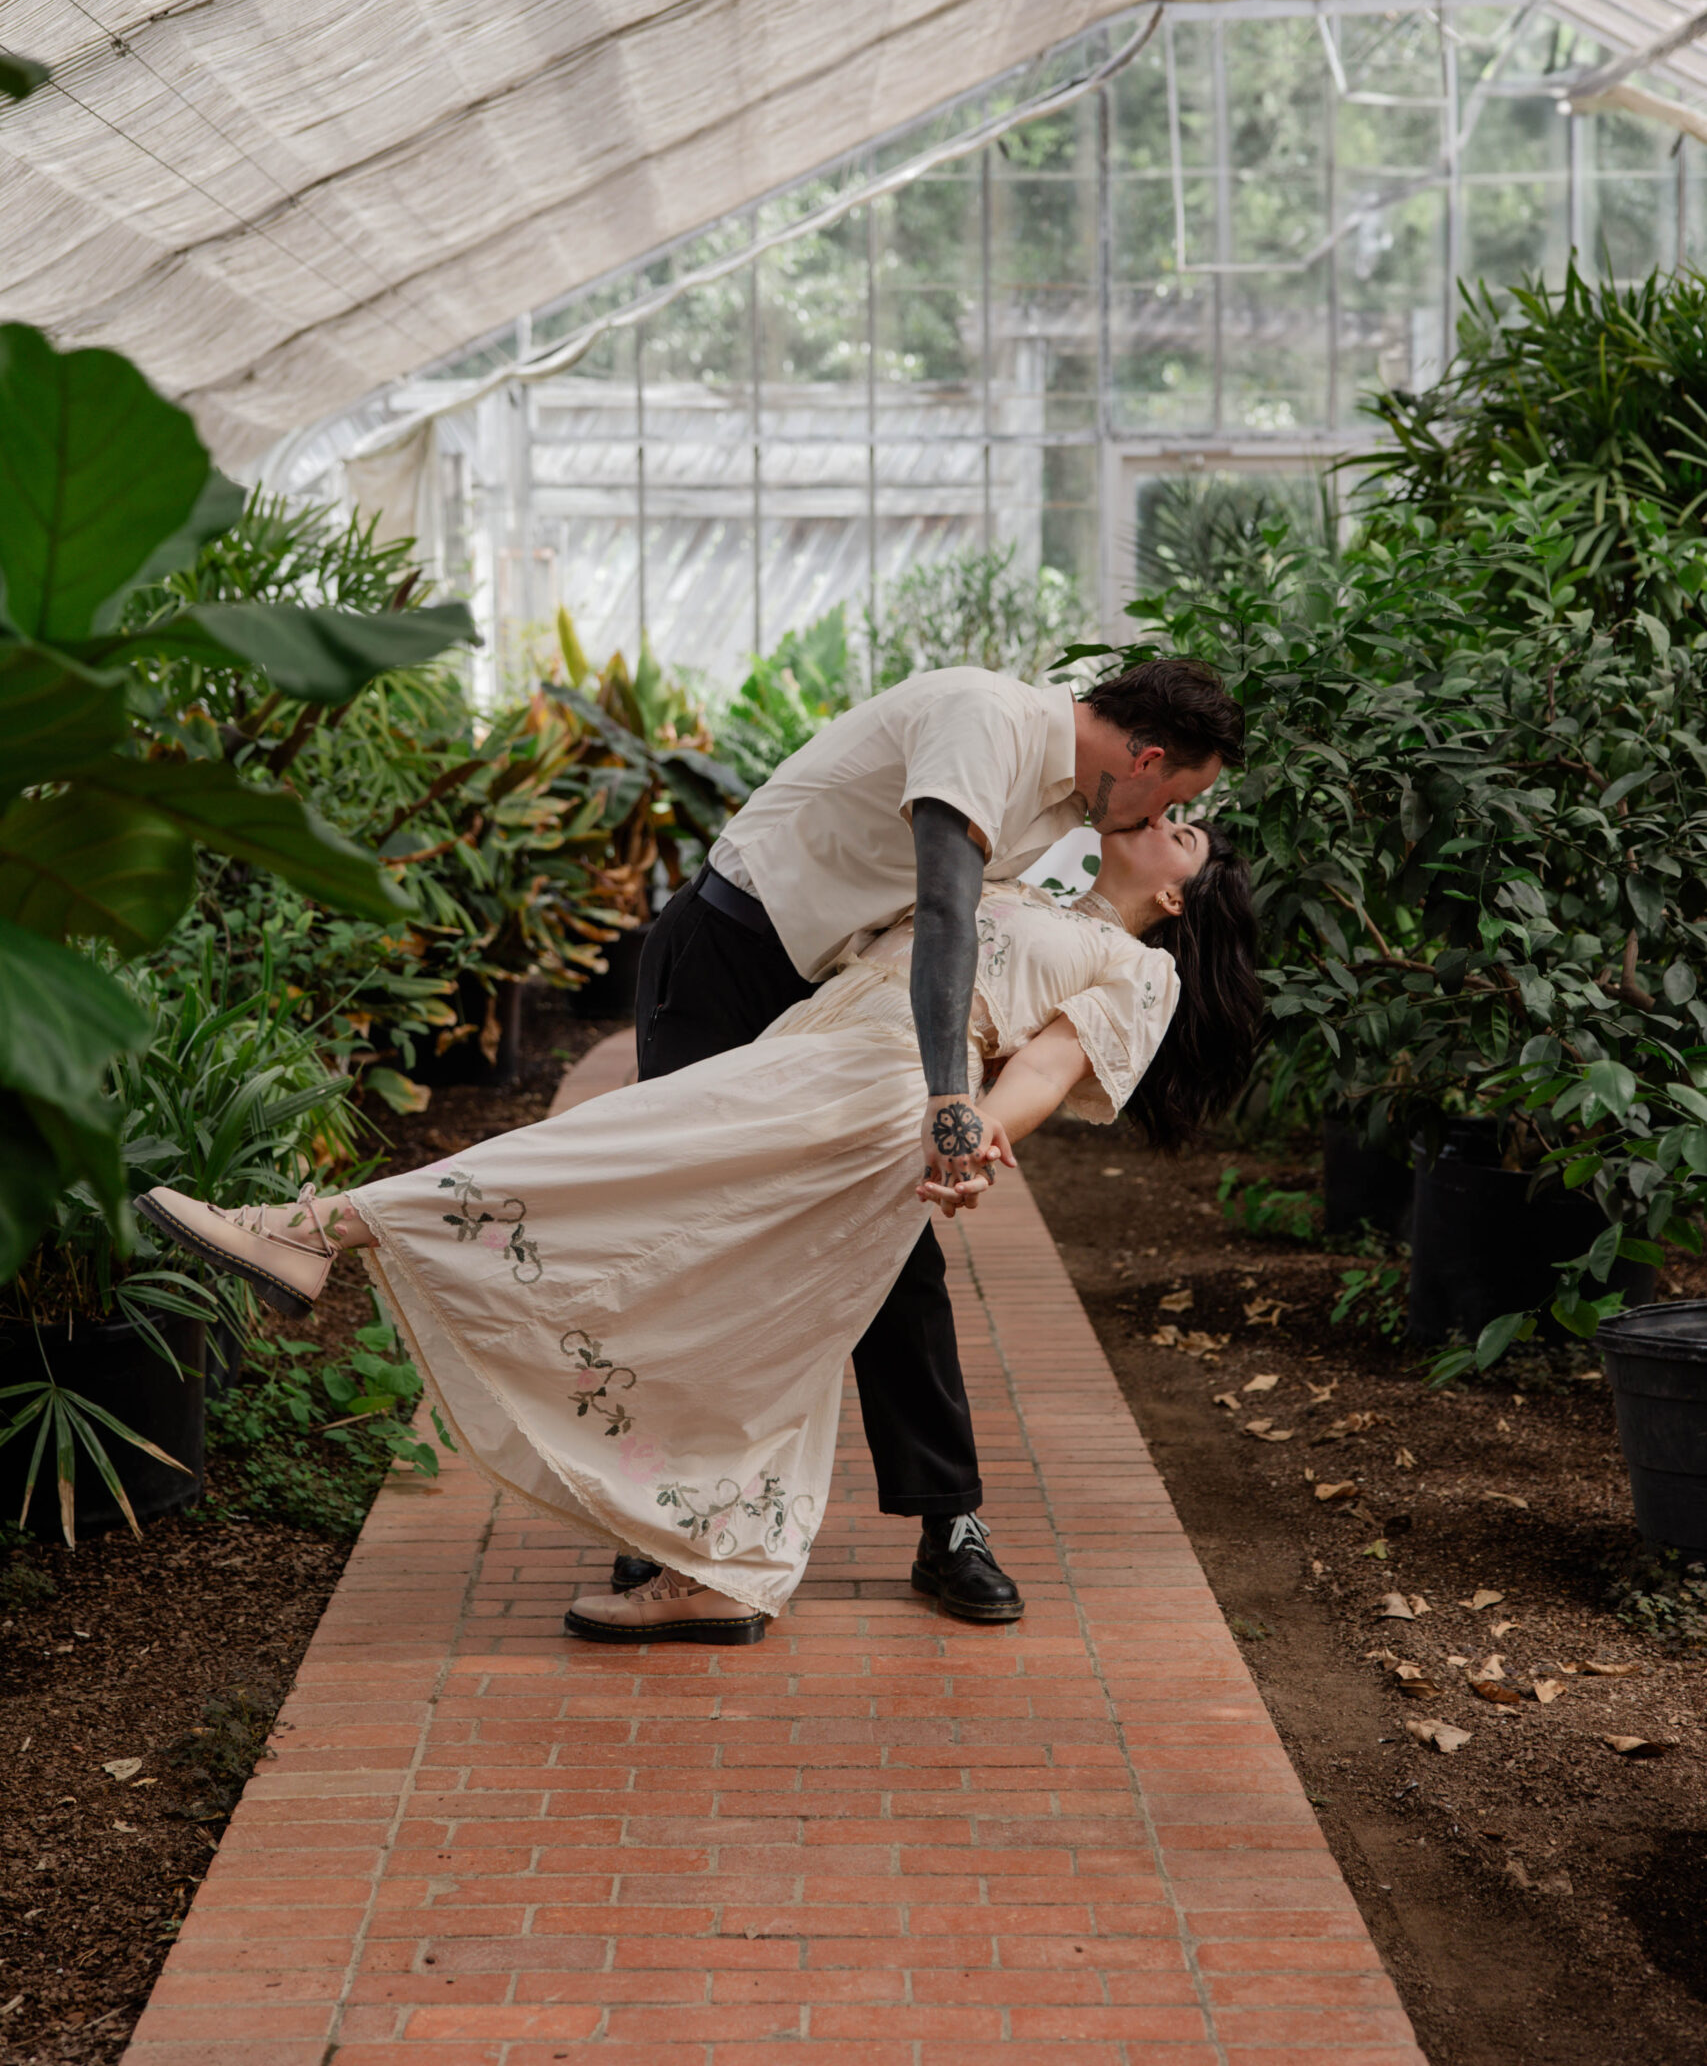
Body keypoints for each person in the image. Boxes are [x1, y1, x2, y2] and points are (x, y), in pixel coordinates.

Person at [138, 808, 1261, 1647]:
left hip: (871, 1096)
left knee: (597, 1163)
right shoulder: (1024, 881)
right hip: (810, 1052)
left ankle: (311, 1227)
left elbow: (1049, 1067)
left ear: (1177, 897)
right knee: (755, 1311)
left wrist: (963, 1139)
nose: (1165, 822)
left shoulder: (1136, 965)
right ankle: (721, 1566)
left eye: (1187, 835)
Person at [616, 654, 1243, 1623]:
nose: (1159, 819)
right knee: (693, 1242)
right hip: (723, 961)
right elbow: (946, 909)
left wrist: (967, 1105)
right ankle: (663, 1524)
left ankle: (949, 1523)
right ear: (1149, 757)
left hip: (829, 997)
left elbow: (970, 957)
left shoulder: (1062, 811)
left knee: (894, 1255)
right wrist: (952, 1097)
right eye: (1179, 796)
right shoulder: (982, 717)